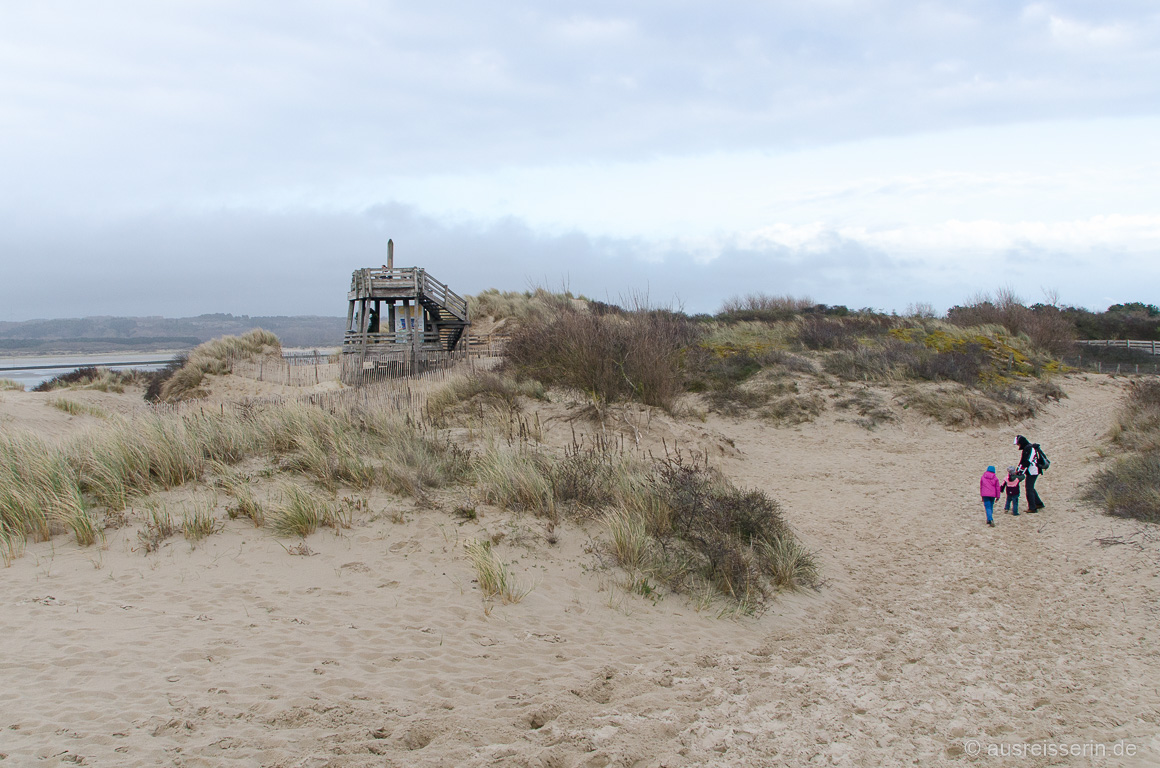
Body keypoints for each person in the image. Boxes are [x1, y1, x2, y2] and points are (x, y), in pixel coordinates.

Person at [1015, 435, 1045, 513]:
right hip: (1031, 471)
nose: (1018, 446)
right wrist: (1019, 470)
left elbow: (1027, 461)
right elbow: (1024, 461)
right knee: (1030, 487)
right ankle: (1038, 503)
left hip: (1033, 471)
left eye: (1018, 444)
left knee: (1029, 489)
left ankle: (1032, 507)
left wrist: (1020, 472)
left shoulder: (1029, 448)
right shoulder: (1027, 448)